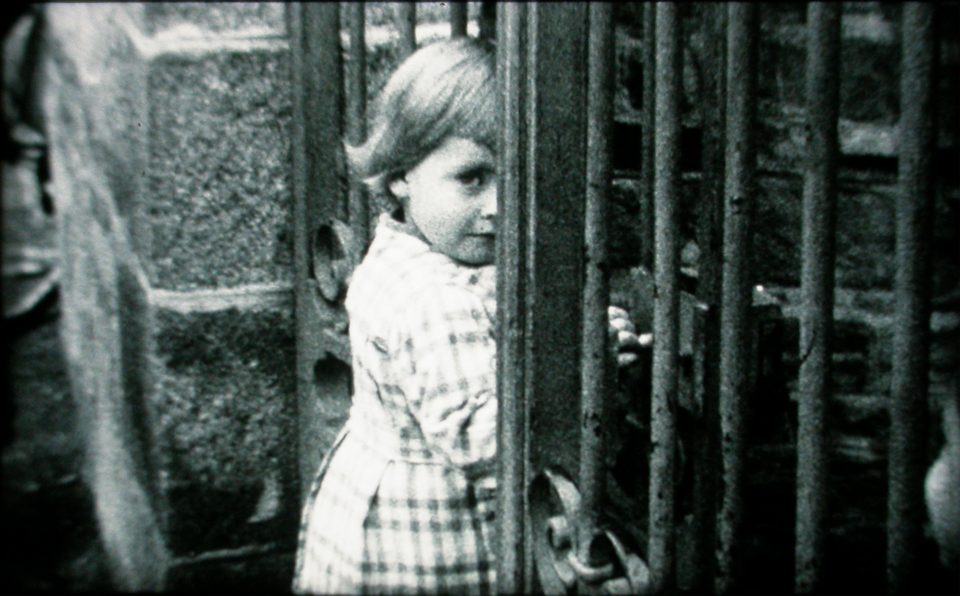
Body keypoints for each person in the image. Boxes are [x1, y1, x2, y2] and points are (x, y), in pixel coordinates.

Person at [292, 37, 643, 594]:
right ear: (402, 173)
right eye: (473, 177)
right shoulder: (430, 297)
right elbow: (486, 444)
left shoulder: (407, 253)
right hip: (427, 537)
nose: (499, 204)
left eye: (515, 177)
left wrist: (584, 341)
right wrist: (588, 366)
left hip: (382, 508)